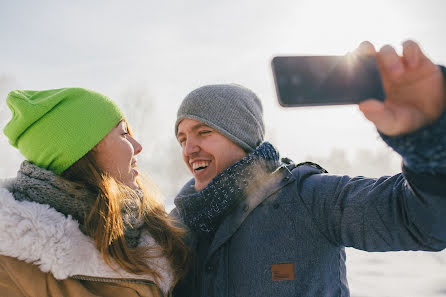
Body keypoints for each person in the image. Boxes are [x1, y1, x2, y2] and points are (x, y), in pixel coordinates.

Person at [171, 40, 446, 297]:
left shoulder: (308, 199)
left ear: (241, 136)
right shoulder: (175, 225)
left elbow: (421, 220)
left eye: (203, 132)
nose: (188, 149)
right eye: (182, 138)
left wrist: (430, 140)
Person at [0, 88, 188, 297]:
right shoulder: (10, 263)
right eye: (124, 134)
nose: (138, 146)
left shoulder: (150, 228)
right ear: (82, 151)